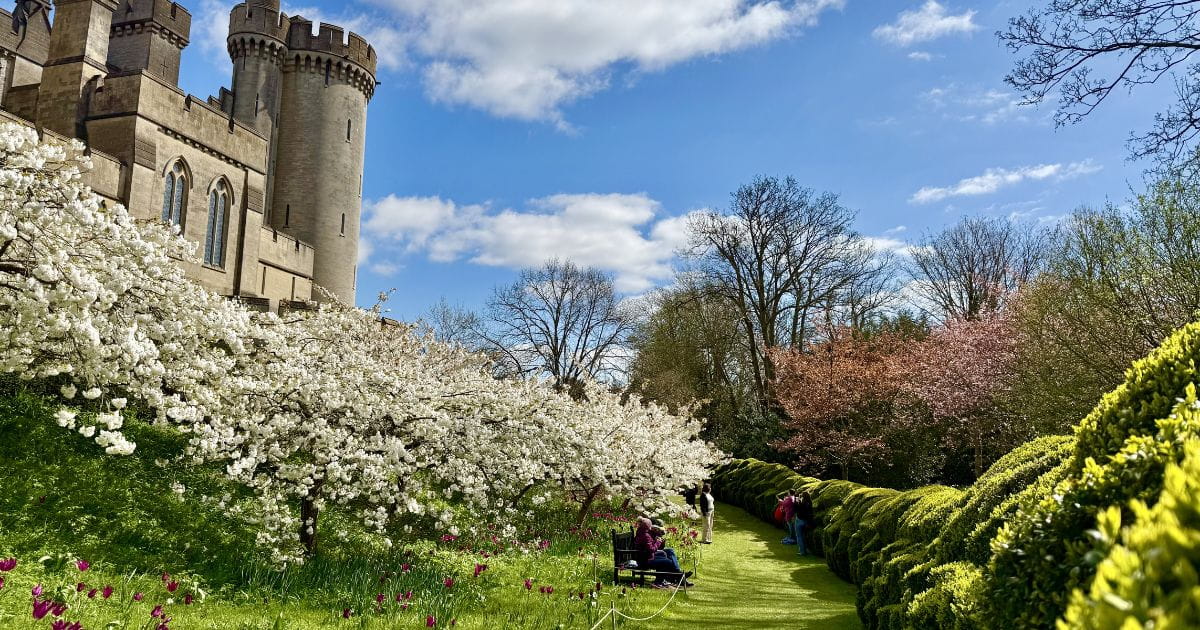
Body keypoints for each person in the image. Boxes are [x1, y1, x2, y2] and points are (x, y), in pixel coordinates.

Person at [634, 517, 693, 588]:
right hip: (646, 558)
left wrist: (659, 539)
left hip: (647, 555)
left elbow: (655, 547)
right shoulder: (645, 535)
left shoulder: (643, 533)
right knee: (667, 561)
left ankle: (678, 575)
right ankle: (678, 576)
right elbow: (651, 549)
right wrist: (658, 542)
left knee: (669, 551)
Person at [795, 491, 815, 556]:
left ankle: (802, 551)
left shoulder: (801, 503)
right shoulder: (809, 503)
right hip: (806, 521)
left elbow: (796, 507)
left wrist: (797, 498)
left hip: (799, 520)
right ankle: (806, 550)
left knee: (799, 537)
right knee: (804, 536)